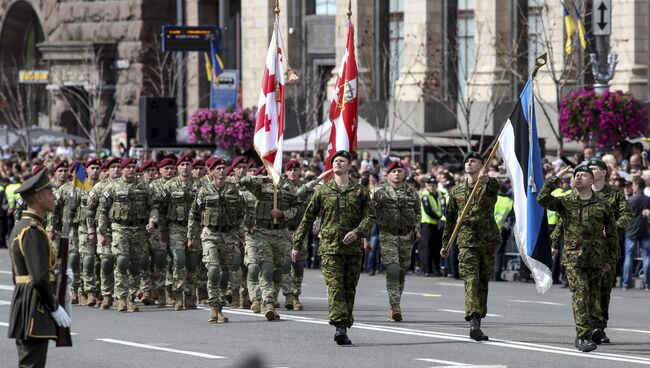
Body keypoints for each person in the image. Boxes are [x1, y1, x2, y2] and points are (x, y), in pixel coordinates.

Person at [292, 150, 376, 345]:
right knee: (335, 287)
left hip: (353, 248)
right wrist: (297, 244)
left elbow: (370, 216)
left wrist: (358, 232)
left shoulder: (360, 191)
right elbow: (308, 217)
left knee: (349, 288)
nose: (338, 163)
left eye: (342, 161)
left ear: (349, 165)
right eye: (335, 161)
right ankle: (339, 325)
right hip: (329, 247)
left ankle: (344, 325)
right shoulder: (323, 191)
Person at [538, 165, 618, 353]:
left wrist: (610, 260)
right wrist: (556, 177)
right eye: (576, 175)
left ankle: (591, 330)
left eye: (584, 175)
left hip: (596, 258)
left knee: (593, 298)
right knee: (580, 294)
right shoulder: (566, 202)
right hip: (574, 258)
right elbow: (542, 198)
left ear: (592, 181)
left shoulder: (603, 204)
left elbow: (612, 235)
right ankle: (582, 336)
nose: (579, 177)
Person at [7, 168, 71, 368]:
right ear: (38, 197)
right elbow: (38, 277)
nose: (54, 197)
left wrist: (59, 274)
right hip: (34, 305)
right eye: (50, 194)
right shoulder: (31, 230)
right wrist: (54, 307)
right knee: (32, 364)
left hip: (29, 300)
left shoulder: (28, 225)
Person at [441, 151, 500, 341]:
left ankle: (479, 321)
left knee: (483, 281)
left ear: (481, 165)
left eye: (473, 161)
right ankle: (473, 320)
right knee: (471, 280)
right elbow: (450, 219)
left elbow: (496, 188)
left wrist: (487, 180)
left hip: (487, 241)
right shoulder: (457, 191)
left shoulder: (488, 186)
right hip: (466, 242)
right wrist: (446, 243)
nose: (469, 164)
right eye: (467, 161)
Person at [97, 158, 158, 312]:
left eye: (133, 167)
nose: (131, 170)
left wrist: (152, 221)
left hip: (138, 229)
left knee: (136, 265)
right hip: (119, 228)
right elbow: (103, 211)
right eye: (128, 167)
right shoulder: (112, 187)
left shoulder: (144, 187)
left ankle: (131, 298)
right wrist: (102, 232)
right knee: (122, 261)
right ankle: (121, 297)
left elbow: (154, 207)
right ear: (122, 169)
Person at [188, 157, 244, 323]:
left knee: (225, 272)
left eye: (223, 168)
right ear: (211, 171)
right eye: (217, 168)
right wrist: (191, 236)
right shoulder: (204, 191)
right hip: (209, 235)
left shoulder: (233, 191)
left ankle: (219, 308)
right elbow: (194, 215)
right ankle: (213, 307)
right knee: (213, 270)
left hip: (228, 236)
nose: (221, 171)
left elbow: (241, 215)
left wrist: (242, 236)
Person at [587, 158, 633, 344]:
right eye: (587, 168)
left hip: (607, 251)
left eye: (593, 168)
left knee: (603, 291)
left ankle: (599, 328)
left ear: (604, 172)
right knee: (587, 291)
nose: (589, 170)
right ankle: (587, 326)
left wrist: (612, 228)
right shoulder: (582, 193)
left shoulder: (615, 195)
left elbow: (627, 214)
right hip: (585, 251)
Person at [372, 160, 420, 321]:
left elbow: (417, 212)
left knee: (401, 272)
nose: (397, 174)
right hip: (388, 234)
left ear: (405, 173)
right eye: (394, 171)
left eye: (400, 171)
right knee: (392, 269)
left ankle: (395, 303)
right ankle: (395, 306)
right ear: (388, 174)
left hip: (407, 236)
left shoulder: (412, 192)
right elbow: (370, 214)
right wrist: (365, 236)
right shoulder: (380, 193)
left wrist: (417, 229)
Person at [623, 178, 650, 291]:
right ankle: (647, 284)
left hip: (632, 230)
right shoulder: (648, 200)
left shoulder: (630, 200)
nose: (632, 187)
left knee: (629, 256)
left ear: (637, 186)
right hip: (645, 231)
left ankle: (626, 283)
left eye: (633, 185)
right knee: (647, 257)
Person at [419, 176, 444, 276]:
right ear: (426, 185)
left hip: (437, 224)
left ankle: (436, 269)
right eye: (430, 185)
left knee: (437, 247)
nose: (432, 187)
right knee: (427, 247)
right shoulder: (424, 195)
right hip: (427, 224)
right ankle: (427, 269)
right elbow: (428, 210)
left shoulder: (440, 195)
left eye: (434, 185)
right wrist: (439, 217)